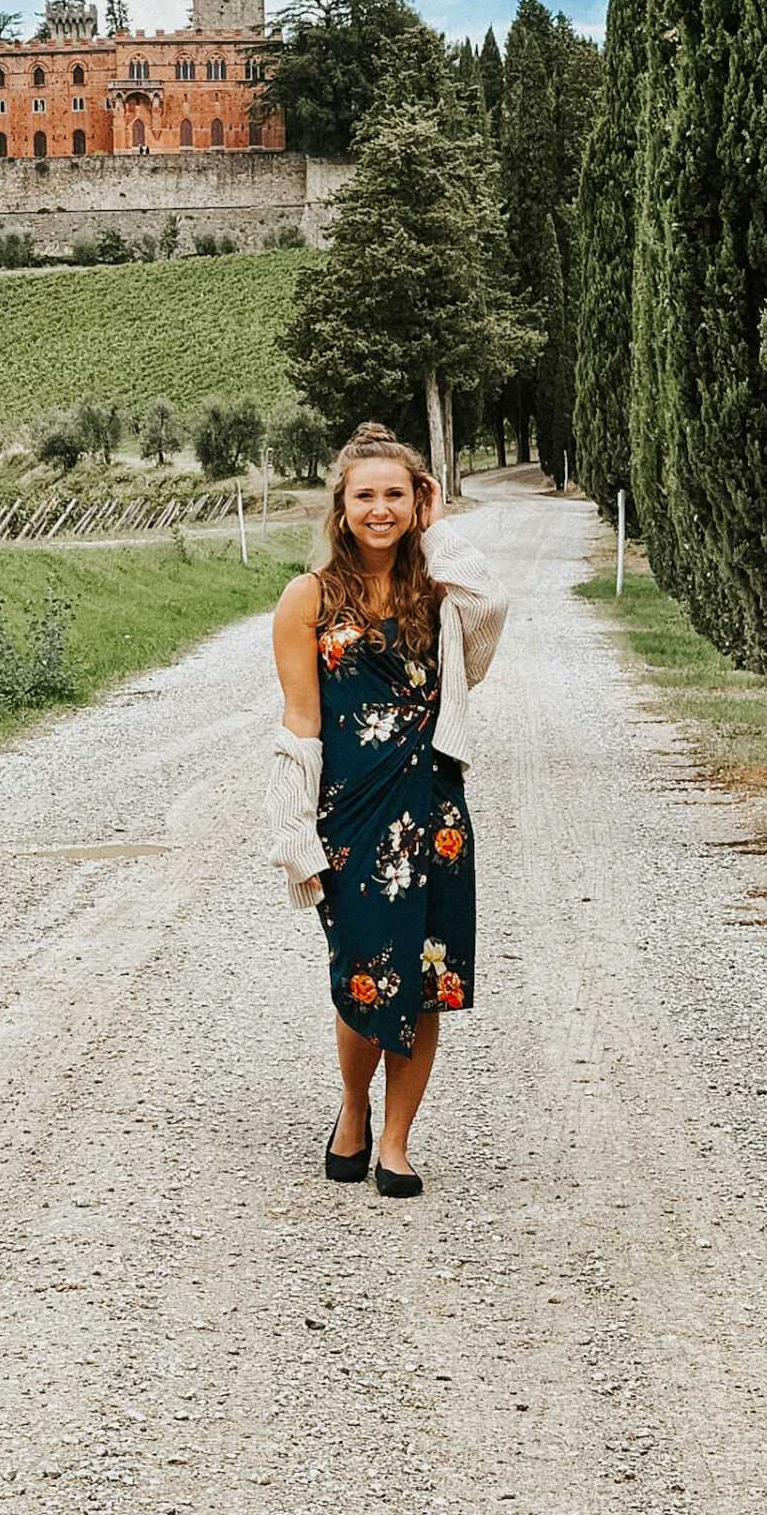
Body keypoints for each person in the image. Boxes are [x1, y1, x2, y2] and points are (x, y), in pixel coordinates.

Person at [266, 421, 508, 1197]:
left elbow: (489, 610)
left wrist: (440, 533)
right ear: (340, 507)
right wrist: (293, 830)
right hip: (352, 812)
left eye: (395, 495)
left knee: (427, 974)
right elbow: (301, 723)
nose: (380, 509)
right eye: (364, 496)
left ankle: (397, 1142)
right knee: (363, 970)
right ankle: (350, 1109)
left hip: (432, 805)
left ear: (415, 502)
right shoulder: (306, 598)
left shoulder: (438, 593)